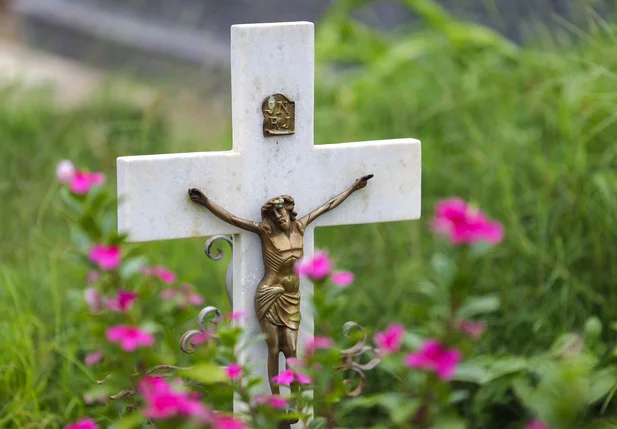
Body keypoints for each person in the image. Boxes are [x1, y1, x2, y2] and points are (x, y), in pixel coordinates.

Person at [188, 174, 372, 394]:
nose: (278, 216)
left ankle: (294, 397)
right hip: (269, 294)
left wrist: (353, 188)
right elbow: (233, 219)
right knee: (274, 349)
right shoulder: (266, 232)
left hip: (291, 298)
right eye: (274, 213)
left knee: (292, 348)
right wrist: (206, 202)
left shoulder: (300, 227)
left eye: (281, 211)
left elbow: (328, 206)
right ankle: (277, 401)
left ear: (288, 210)